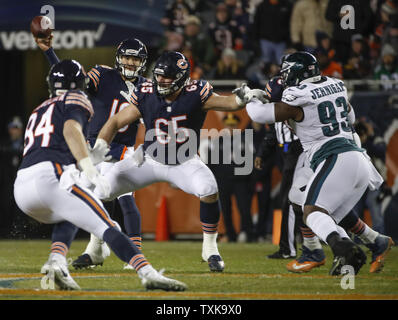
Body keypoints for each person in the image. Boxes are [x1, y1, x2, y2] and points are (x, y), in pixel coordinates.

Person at [13, 59, 187, 291]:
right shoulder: (77, 99)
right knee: (109, 226)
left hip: (22, 188)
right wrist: (89, 166)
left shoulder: (40, 108)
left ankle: (56, 261)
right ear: (79, 82)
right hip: (50, 180)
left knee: (69, 214)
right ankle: (149, 274)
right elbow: (70, 130)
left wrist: (85, 160)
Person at [89, 51, 265, 272]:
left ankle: (210, 249)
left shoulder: (196, 93)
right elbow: (115, 121)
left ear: (182, 79)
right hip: (149, 159)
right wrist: (99, 148)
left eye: (167, 77)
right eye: (159, 75)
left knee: (209, 189)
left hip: (184, 162)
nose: (160, 80)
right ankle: (95, 248)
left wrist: (242, 98)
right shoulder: (146, 93)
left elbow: (227, 103)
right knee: (101, 191)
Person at [245, 51, 392, 275]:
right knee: (305, 200)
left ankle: (342, 249)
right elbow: (350, 119)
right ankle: (372, 242)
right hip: (353, 156)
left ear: (295, 73)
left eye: (286, 74)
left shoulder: (297, 94)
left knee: (313, 212)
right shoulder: (335, 84)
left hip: (334, 157)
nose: (284, 79)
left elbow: (259, 115)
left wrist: (250, 97)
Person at [35, 35, 148, 269]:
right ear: (118, 58)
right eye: (127, 57)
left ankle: (135, 253)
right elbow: (71, 81)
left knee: (126, 200)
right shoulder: (103, 75)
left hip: (124, 149)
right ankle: (94, 251)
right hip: (94, 148)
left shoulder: (146, 86)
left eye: (135, 59)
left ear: (143, 62)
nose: (130, 63)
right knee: (88, 199)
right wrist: (49, 52)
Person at [206, 113, 255, 243]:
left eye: (233, 126)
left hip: (241, 180)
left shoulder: (245, 140)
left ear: (237, 126)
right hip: (223, 180)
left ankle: (246, 233)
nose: (230, 128)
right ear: (224, 126)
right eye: (228, 125)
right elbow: (211, 163)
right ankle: (230, 234)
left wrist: (250, 179)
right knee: (225, 209)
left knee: (244, 208)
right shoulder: (217, 141)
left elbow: (251, 161)